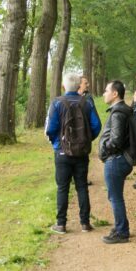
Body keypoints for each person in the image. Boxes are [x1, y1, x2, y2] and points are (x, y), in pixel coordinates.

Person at [46, 73, 101, 234]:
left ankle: (61, 224)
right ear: (78, 87)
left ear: (64, 87)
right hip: (82, 152)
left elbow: (51, 128)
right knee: (82, 186)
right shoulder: (86, 103)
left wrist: (57, 143)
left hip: (62, 151)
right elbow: (96, 125)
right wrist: (86, 140)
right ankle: (85, 223)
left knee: (63, 188)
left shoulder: (57, 103)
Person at [98, 80, 135, 244]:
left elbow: (116, 140)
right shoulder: (123, 110)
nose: (104, 93)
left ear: (115, 94)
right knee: (114, 196)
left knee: (115, 197)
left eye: (106, 91)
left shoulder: (118, 113)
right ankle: (121, 227)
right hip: (121, 159)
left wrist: (105, 150)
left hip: (116, 160)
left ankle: (121, 232)